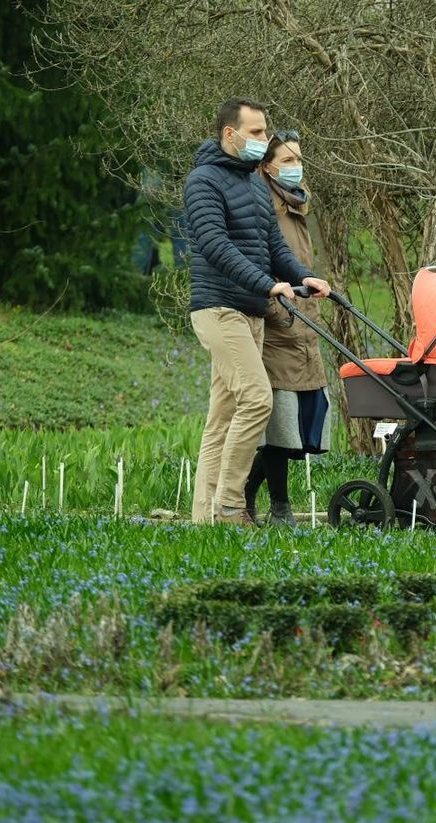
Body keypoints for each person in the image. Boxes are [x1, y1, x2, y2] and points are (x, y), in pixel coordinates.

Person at [184, 97, 330, 526]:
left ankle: (203, 516)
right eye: (256, 133)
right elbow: (215, 246)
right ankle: (231, 506)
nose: (263, 141)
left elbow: (274, 247)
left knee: (222, 416)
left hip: (250, 313)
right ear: (230, 134)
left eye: (265, 132)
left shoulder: (251, 183)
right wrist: (267, 284)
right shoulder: (202, 182)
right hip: (218, 309)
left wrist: (306, 277)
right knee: (256, 398)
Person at [244, 130, 331, 525]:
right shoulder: (266, 209)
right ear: (267, 167)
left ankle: (249, 492)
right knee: (281, 424)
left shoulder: (296, 208)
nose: (297, 168)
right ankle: (278, 505)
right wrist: (276, 306)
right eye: (289, 160)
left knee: (299, 425)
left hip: (301, 322)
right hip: (277, 322)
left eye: (299, 160)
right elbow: (263, 262)